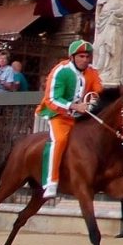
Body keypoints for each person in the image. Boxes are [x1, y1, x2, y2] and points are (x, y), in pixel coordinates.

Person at [36, 40, 102, 198]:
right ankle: (51, 182)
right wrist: (73, 106)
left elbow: (98, 89)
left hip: (81, 117)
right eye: (81, 56)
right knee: (59, 141)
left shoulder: (92, 72)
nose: (85, 59)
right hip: (59, 116)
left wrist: (93, 100)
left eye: (87, 56)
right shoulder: (60, 71)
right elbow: (51, 98)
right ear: (72, 57)